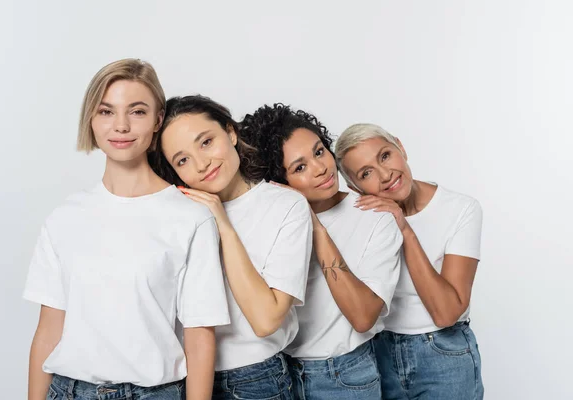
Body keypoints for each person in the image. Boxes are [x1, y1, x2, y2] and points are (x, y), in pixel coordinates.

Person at [24, 59, 229, 400]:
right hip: (69, 391)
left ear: (157, 121)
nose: (120, 126)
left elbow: (199, 334)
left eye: (136, 111)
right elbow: (48, 330)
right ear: (90, 119)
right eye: (106, 112)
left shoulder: (190, 217)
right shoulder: (64, 218)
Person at [150, 95, 312, 400]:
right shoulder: (175, 214)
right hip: (180, 379)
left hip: (255, 380)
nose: (202, 163)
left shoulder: (285, 206)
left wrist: (223, 224)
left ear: (231, 132)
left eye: (206, 142)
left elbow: (266, 320)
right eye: (182, 160)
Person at [238, 104, 402, 400]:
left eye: (318, 151)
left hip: (345, 377)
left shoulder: (374, 216)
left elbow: (364, 317)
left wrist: (314, 226)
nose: (321, 168)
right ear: (278, 179)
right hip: (277, 375)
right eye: (299, 167)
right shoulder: (269, 223)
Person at [335, 123, 484, 400]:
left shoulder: (461, 209)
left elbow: (446, 312)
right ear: (355, 187)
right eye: (366, 173)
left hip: (443, 353)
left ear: (401, 148)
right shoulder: (361, 218)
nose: (385, 174)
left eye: (385, 156)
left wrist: (404, 229)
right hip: (377, 353)